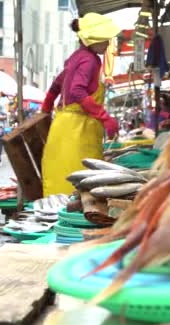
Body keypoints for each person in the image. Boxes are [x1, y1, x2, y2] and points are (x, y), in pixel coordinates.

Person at [40, 13, 120, 196]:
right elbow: (77, 91)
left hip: (62, 126)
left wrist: (46, 107)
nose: (108, 44)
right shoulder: (90, 60)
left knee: (60, 180)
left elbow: (57, 84)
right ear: (92, 40)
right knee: (80, 184)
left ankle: (57, 216)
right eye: (105, 40)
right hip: (77, 131)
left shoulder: (76, 57)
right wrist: (105, 118)